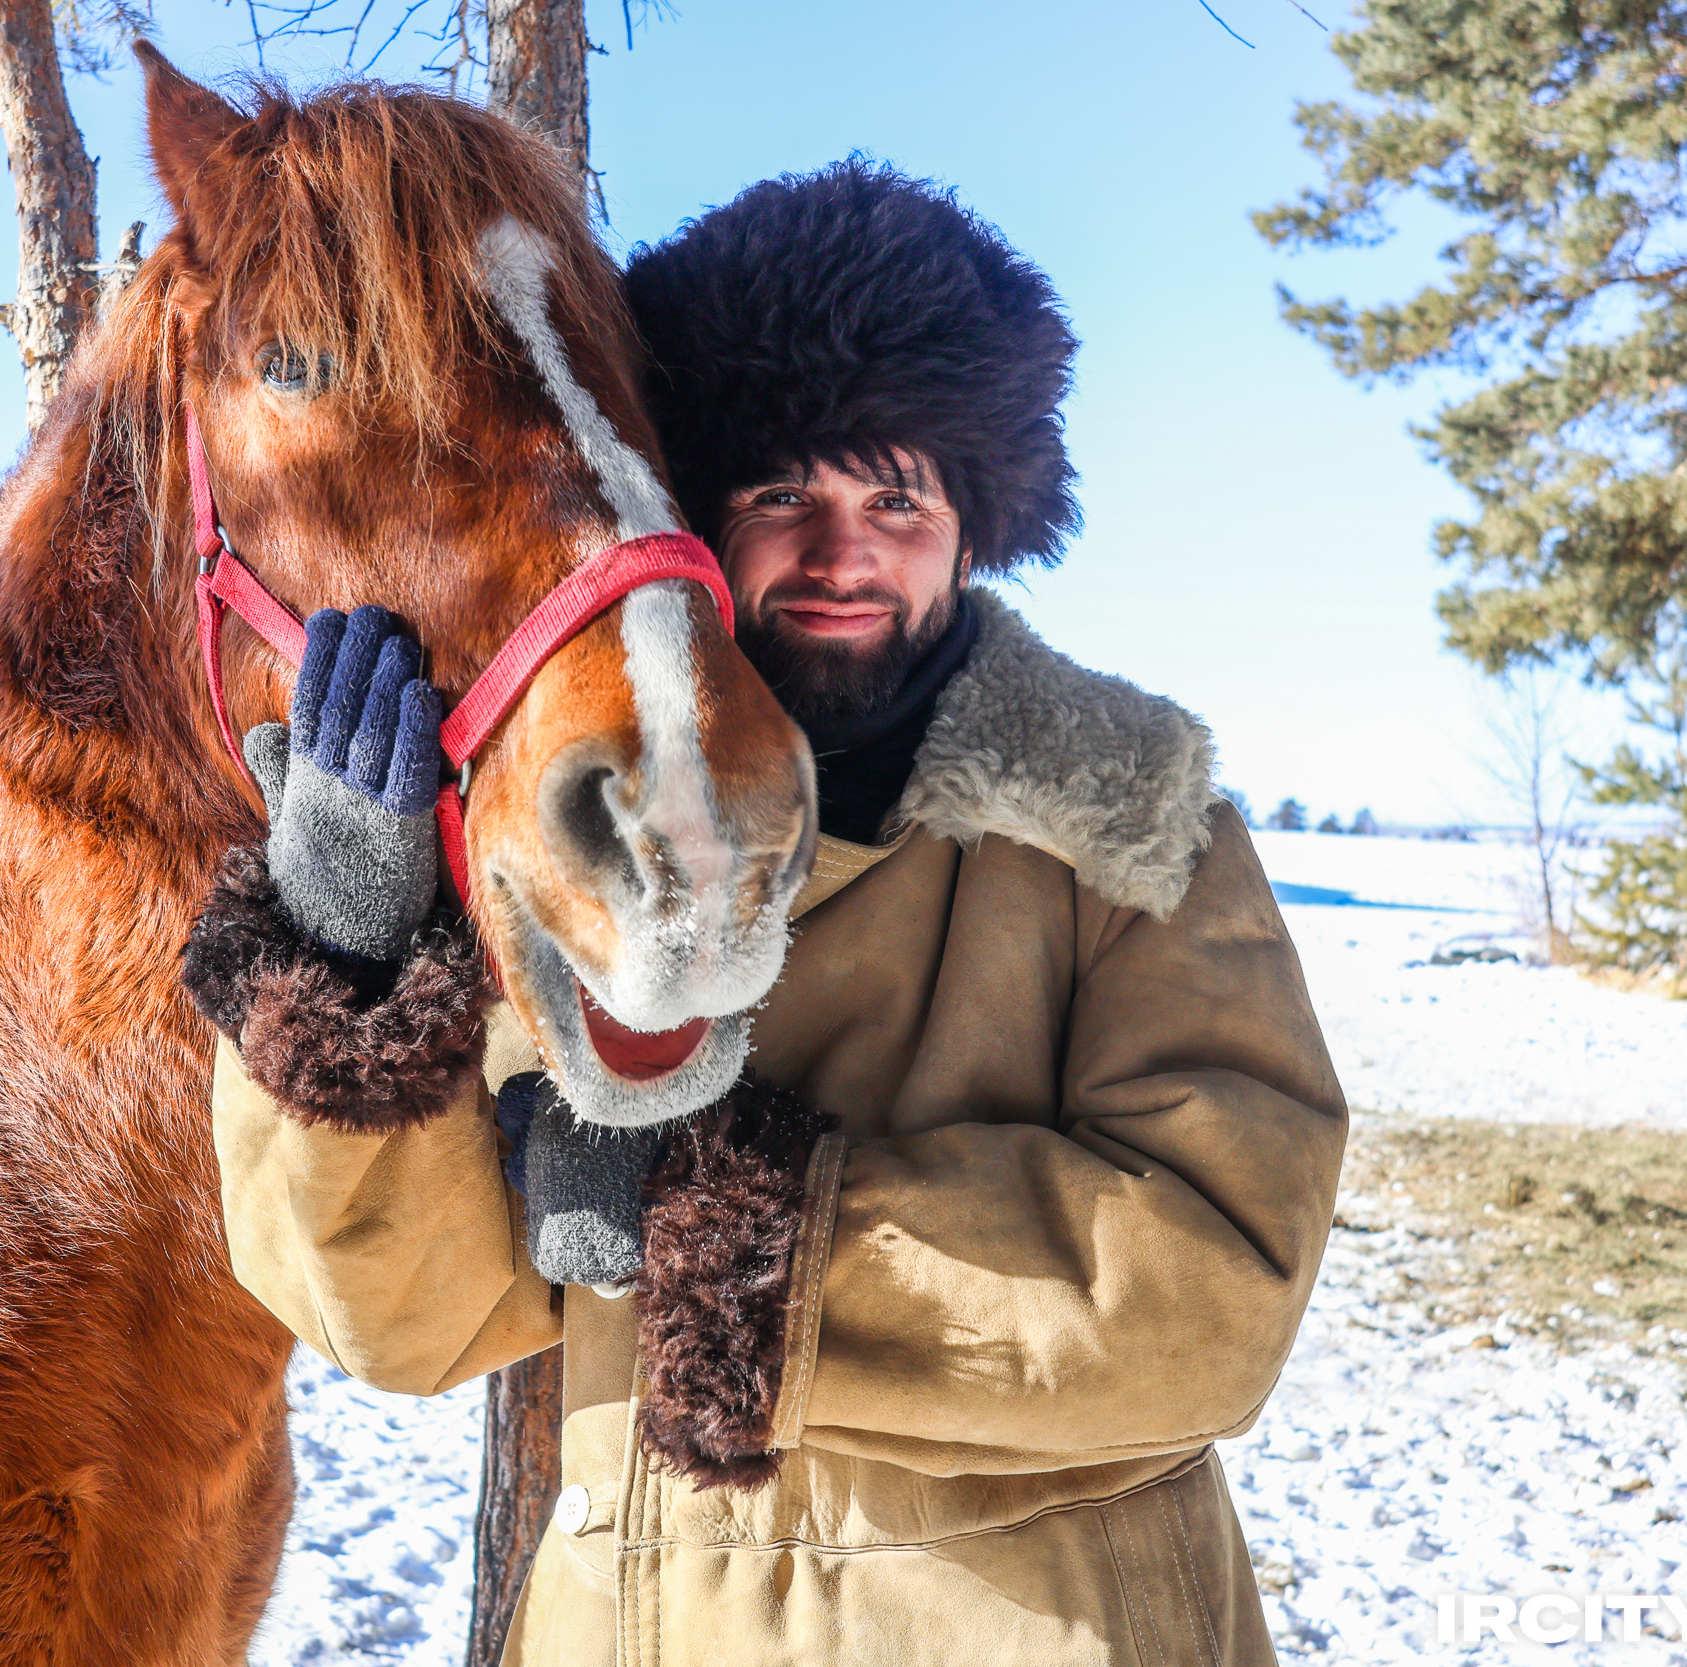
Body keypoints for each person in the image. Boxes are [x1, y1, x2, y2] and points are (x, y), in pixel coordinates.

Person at [185, 161, 1345, 1665]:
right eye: (783, 491)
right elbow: (408, 1327)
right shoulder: (580, 836)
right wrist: (347, 956)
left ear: (978, 520)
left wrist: (722, 1236)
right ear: (692, 519)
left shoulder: (1127, 829)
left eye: (899, 494)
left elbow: (1220, 1292)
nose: (843, 547)